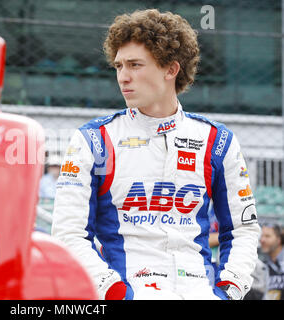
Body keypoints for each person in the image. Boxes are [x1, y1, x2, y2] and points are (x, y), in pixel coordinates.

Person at [52, 9, 260, 300]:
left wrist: (229, 292)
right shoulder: (93, 140)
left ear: (171, 69)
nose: (123, 77)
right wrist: (112, 292)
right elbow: (68, 234)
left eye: (135, 65)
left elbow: (242, 229)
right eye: (119, 66)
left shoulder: (217, 140)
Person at [260, 224, 284, 300]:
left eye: (267, 236)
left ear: (279, 239)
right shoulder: (263, 265)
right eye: (261, 236)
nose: (262, 240)